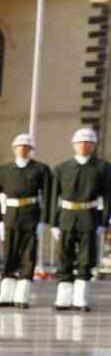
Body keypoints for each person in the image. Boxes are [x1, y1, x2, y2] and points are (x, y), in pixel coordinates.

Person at [50, 126, 111, 312]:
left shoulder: (103, 168)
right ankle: (63, 299)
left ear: (93, 145)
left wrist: (104, 222)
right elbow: (53, 197)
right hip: (66, 216)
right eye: (80, 142)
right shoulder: (61, 168)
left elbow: (108, 196)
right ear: (74, 144)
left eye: (88, 142)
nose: (84, 145)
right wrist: (54, 222)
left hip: (89, 217)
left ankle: (80, 299)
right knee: (64, 257)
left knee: (86, 259)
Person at [0, 132, 50, 308]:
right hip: (10, 215)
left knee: (28, 256)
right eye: (19, 146)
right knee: (9, 255)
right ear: (14, 148)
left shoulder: (41, 169)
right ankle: (5, 295)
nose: (22, 149)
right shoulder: (3, 170)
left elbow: (47, 196)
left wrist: (43, 220)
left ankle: (21, 296)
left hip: (31, 215)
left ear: (31, 149)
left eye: (26, 147)